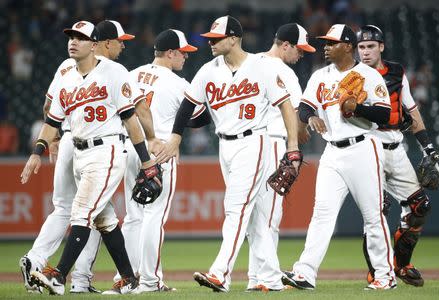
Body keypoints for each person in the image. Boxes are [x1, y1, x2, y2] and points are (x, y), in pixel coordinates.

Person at [157, 15, 300, 292]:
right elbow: (188, 106)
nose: (211, 43)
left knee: (235, 208)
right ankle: (270, 279)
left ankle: (220, 273)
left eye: (216, 39)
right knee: (256, 216)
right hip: (225, 144)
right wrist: (175, 137)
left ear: (234, 38)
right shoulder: (209, 69)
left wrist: (292, 146)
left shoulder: (261, 67)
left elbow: (286, 107)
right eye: (210, 39)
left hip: (253, 141)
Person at [20, 20, 155, 295]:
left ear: (94, 45)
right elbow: (52, 120)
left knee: (81, 212)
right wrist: (38, 151)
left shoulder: (114, 72)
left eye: (80, 37)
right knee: (104, 219)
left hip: (106, 151)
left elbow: (130, 120)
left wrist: (146, 160)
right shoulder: (67, 77)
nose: (73, 41)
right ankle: (129, 279)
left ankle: (58, 275)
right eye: (71, 36)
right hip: (79, 152)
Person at [282, 24, 397, 291]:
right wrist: (310, 117)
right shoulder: (320, 76)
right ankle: (305, 273)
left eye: (332, 43)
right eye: (325, 43)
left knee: (372, 215)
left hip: (363, 149)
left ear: (347, 46)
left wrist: (359, 108)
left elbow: (383, 115)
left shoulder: (368, 75)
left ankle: (384, 275)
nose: (326, 47)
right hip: (332, 152)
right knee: (322, 214)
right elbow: (306, 106)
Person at [357, 25, 438, 287]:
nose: (365, 51)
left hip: (396, 148)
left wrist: (429, 148)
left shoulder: (396, 71)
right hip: (369, 148)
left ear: (381, 47)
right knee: (376, 212)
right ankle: (376, 273)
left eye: (370, 46)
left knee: (420, 206)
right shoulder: (352, 76)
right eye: (361, 47)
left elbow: (412, 111)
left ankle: (401, 265)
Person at [122, 28, 199, 293]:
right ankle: (150, 281)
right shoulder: (179, 84)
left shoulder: (130, 75)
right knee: (154, 216)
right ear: (170, 52)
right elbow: (200, 118)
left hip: (130, 148)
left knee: (133, 217)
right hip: (160, 151)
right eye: (183, 53)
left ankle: (128, 279)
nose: (185, 58)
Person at [246, 23, 315, 291]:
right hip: (274, 143)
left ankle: (256, 277)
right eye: (299, 48)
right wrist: (298, 139)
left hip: (247, 145)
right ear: (285, 44)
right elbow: (297, 115)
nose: (302, 54)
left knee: (255, 216)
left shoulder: (250, 62)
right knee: (270, 215)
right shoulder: (283, 71)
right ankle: (267, 278)